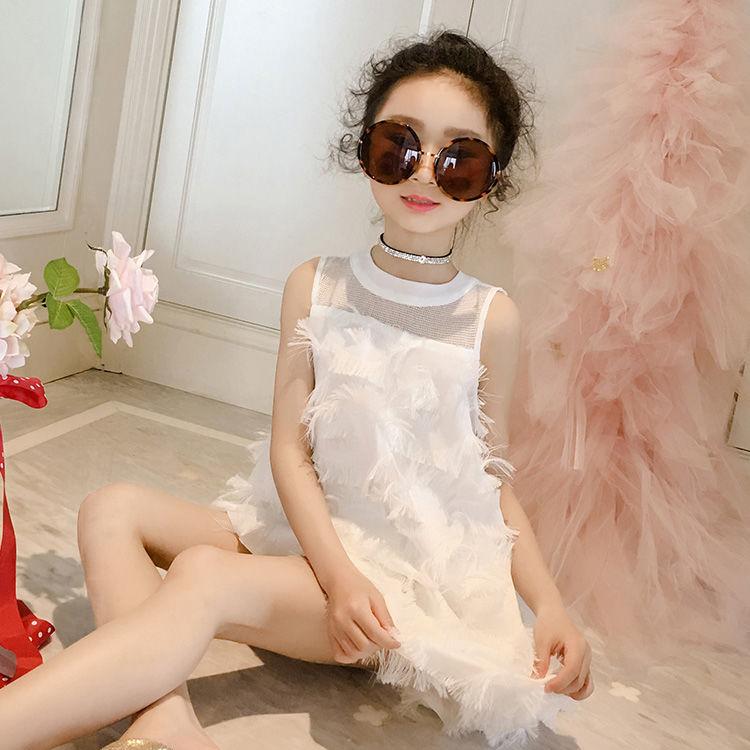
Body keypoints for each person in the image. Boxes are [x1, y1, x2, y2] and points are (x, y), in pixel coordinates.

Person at [0, 28, 593, 750]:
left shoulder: (489, 318)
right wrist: (331, 571)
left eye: (458, 159)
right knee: (110, 507)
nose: (423, 174)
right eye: (399, 146)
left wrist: (549, 604)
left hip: (392, 581)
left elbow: (493, 484)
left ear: (490, 179)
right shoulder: (316, 285)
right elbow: (289, 449)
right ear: (365, 149)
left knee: (204, 575)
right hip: (303, 541)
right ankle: (165, 724)